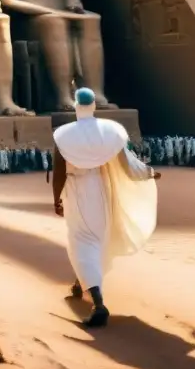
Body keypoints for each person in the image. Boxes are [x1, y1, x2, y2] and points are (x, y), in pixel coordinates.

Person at [51, 87, 161, 328]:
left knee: (81, 242)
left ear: (76, 107)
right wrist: (149, 173)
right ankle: (80, 284)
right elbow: (128, 164)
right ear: (93, 106)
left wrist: (56, 198)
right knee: (97, 240)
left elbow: (59, 171)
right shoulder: (108, 131)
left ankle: (98, 303)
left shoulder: (64, 135)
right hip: (101, 189)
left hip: (77, 190)